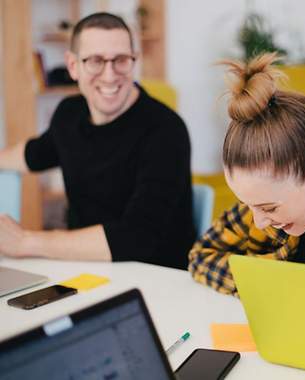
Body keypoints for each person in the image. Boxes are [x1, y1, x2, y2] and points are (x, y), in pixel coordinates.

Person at [0, 13, 195, 269]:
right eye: (95, 61)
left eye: (121, 60)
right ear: (73, 66)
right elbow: (35, 154)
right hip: (83, 269)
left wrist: (25, 241)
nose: (110, 75)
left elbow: (137, 237)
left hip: (154, 278)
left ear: (133, 61)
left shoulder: (166, 130)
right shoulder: (69, 114)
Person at [188, 52, 305, 295]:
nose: (258, 221)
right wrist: (272, 286)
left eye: (269, 208)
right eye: (248, 204)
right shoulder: (264, 197)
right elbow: (201, 255)